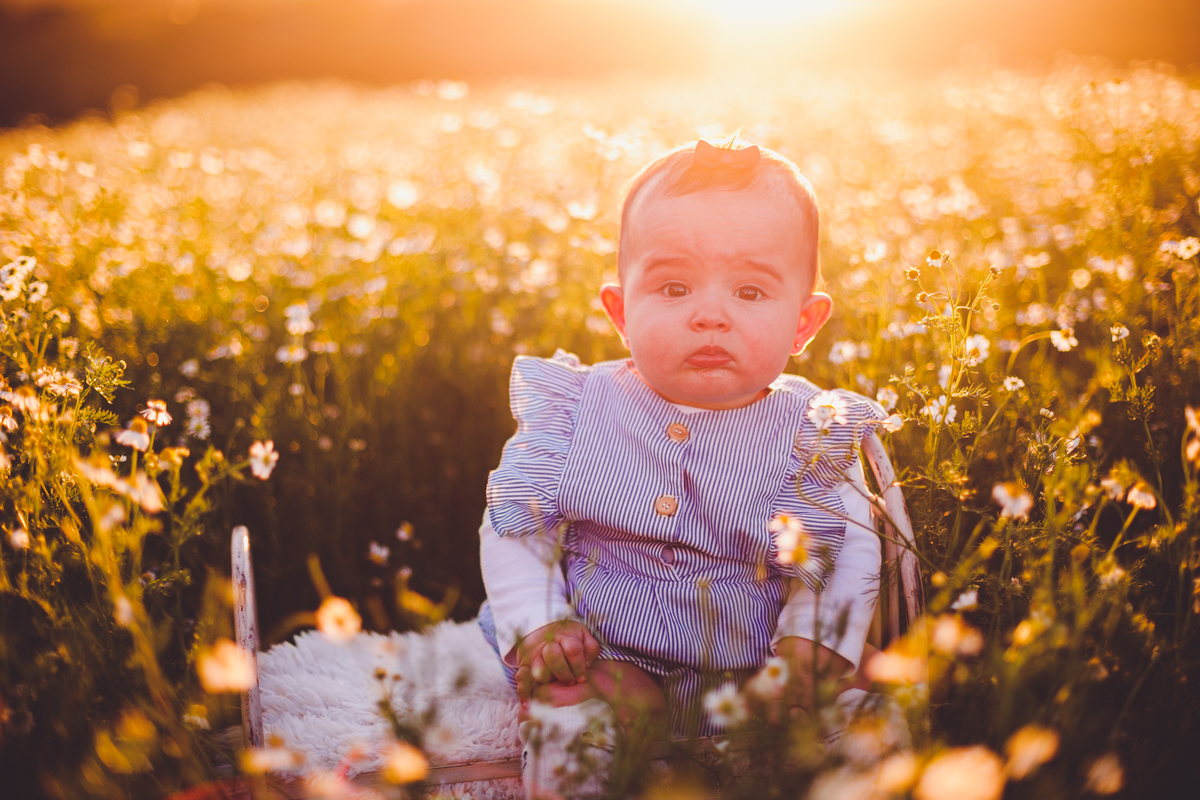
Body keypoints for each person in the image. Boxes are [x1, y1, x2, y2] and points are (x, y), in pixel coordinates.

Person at [478, 138, 893, 799]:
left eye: (751, 291)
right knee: (574, 704)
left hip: (757, 663)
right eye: (673, 287)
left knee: (874, 698)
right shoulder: (577, 408)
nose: (709, 314)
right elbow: (513, 525)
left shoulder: (812, 432)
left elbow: (847, 552)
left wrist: (813, 644)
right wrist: (541, 623)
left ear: (803, 324)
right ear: (620, 312)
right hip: (606, 651)